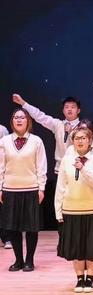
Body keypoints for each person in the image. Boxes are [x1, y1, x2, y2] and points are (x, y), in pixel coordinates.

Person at [54, 125, 93, 292]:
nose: (80, 141)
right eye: (77, 138)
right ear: (73, 141)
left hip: (92, 208)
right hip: (71, 208)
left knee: (92, 246)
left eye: (83, 138)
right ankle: (80, 279)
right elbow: (61, 186)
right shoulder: (67, 160)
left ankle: (90, 279)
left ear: (90, 140)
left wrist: (83, 169)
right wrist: (58, 209)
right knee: (76, 247)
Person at [0, 108, 47, 272]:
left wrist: (41, 188)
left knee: (31, 227)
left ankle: (29, 260)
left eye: (22, 117)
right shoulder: (4, 141)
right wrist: (0, 187)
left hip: (31, 188)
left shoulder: (36, 141)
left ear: (28, 121)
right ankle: (18, 260)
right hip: (10, 189)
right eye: (16, 117)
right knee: (13, 227)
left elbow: (41, 166)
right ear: (12, 121)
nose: (19, 120)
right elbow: (1, 166)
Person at [12, 94, 81, 174]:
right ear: (63, 110)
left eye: (73, 107)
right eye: (66, 107)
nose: (69, 109)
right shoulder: (58, 124)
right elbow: (40, 116)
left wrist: (71, 132)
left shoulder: (83, 126)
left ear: (78, 110)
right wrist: (23, 103)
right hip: (61, 168)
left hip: (78, 168)